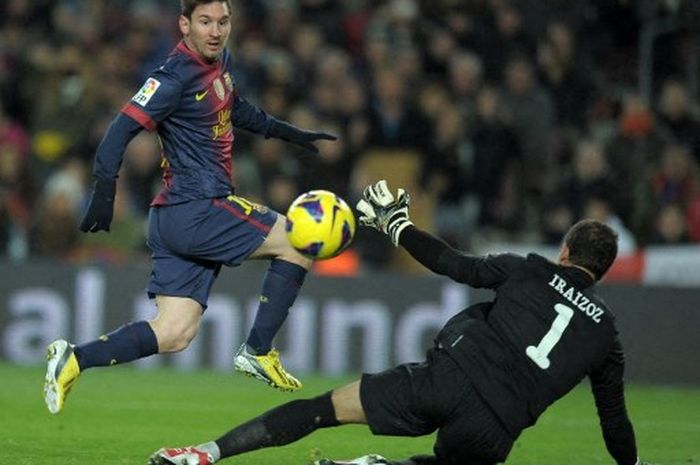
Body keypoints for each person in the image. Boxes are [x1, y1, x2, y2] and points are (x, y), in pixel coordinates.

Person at [147, 180, 649, 465]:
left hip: (447, 378)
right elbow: (614, 422)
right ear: (603, 273)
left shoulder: (530, 269)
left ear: (563, 251)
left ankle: (204, 454)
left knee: (323, 409)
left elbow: (453, 263)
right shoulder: (607, 335)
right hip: (495, 427)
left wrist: (398, 227)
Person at [43, 0, 337, 415]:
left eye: (222, 21)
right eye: (204, 22)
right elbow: (118, 130)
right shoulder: (171, 77)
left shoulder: (220, 62)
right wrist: (104, 191)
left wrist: (285, 132)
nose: (215, 31)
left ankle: (74, 358)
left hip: (176, 218)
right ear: (184, 25)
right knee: (300, 241)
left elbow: (233, 107)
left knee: (174, 332)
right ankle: (258, 350)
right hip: (199, 206)